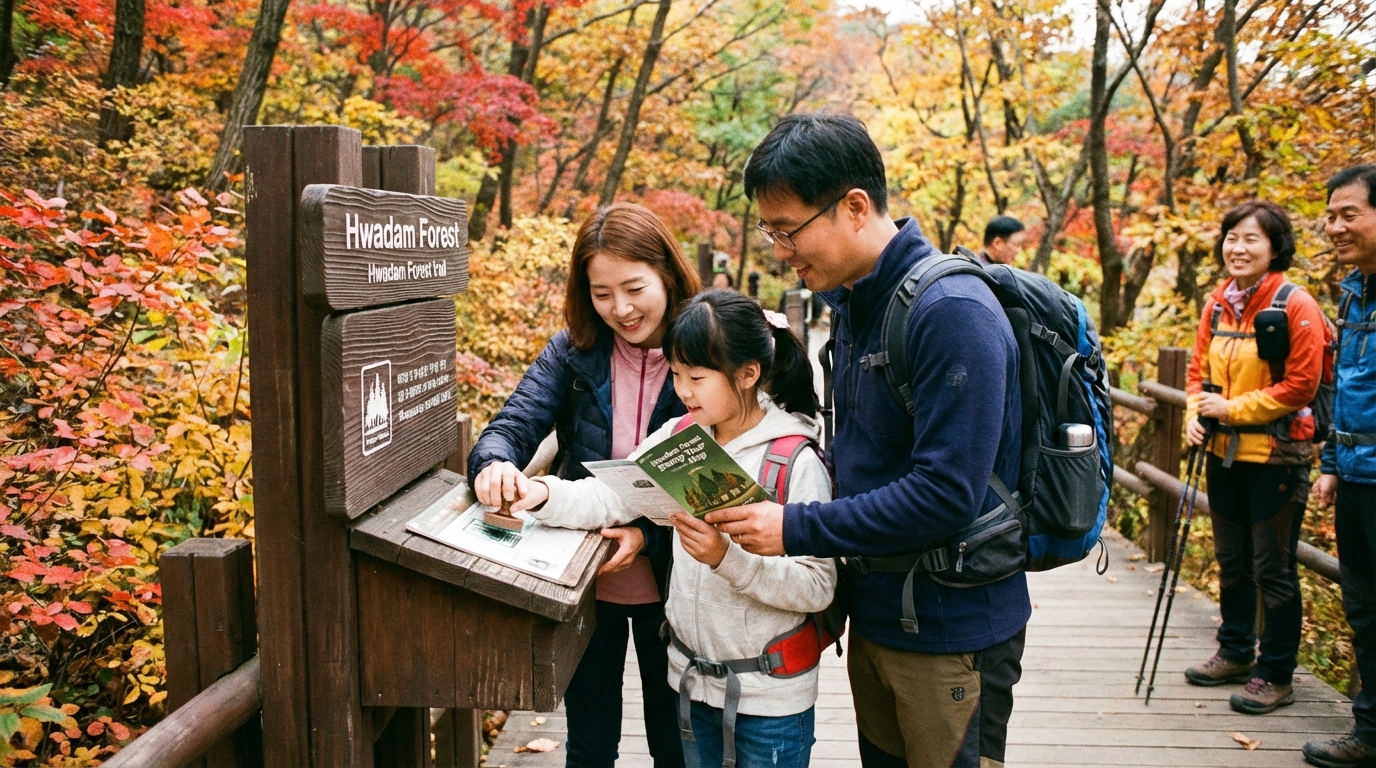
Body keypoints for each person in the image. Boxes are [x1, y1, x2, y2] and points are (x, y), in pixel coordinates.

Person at [710, 113, 1028, 767]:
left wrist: (796, 527)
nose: (780, 251)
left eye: (788, 230)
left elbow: (947, 494)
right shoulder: (858, 303)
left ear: (855, 206)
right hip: (882, 616)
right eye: (772, 232)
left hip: (952, 628)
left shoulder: (950, 313)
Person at [508, 289, 837, 768]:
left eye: (697, 378)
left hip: (770, 699)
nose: (683, 391)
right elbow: (610, 495)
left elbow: (818, 586)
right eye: (677, 375)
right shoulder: (682, 438)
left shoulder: (793, 461)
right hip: (690, 686)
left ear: (748, 375)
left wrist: (728, 559)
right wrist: (541, 495)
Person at [467, 203, 700, 767]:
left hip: (679, 581)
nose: (620, 309)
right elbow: (512, 426)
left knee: (677, 742)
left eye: (634, 287)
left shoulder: (705, 351)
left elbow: (719, 477)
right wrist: (495, 465)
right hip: (584, 577)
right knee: (590, 742)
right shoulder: (574, 353)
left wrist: (647, 534)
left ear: (667, 273)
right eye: (601, 293)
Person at [1179, 201, 1326, 717]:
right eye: (1232, 238)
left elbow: (1302, 385)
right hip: (1224, 453)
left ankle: (1276, 671)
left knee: (1273, 567)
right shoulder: (1218, 304)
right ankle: (1236, 650)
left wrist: (1231, 409)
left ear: (1274, 247)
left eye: (1251, 240)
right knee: (1233, 561)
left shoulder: (1295, 304)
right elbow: (1197, 371)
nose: (1238, 249)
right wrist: (1195, 414)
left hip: (1277, 457)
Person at [1304, 166, 1376, 768]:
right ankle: (1371, 733)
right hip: (1355, 477)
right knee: (1365, 609)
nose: (1334, 226)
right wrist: (1331, 461)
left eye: (1348, 214)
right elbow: (1344, 388)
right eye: (1331, 216)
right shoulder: (1353, 292)